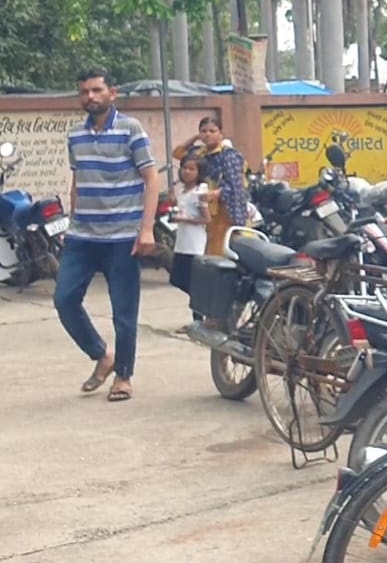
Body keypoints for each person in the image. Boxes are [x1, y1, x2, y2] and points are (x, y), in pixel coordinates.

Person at [55, 69, 159, 403]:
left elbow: (151, 178)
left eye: (97, 90)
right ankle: (102, 355)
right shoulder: (76, 135)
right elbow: (77, 182)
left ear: (112, 93)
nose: (90, 96)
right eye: (84, 91)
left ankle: (123, 376)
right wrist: (72, 223)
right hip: (82, 236)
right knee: (64, 299)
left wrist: (146, 229)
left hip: (122, 237)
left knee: (124, 313)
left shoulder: (130, 129)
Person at [177, 117, 248, 257]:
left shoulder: (229, 155)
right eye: (203, 131)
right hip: (203, 208)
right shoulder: (199, 153)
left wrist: (215, 194)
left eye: (212, 131)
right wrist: (195, 138)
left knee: (219, 250)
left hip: (224, 210)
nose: (207, 134)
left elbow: (235, 186)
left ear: (221, 134)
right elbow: (178, 153)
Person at [169, 156, 210, 330]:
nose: (187, 172)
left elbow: (206, 219)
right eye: (185, 168)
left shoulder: (200, 192)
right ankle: (201, 312)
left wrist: (185, 219)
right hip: (182, 242)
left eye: (192, 169)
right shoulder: (183, 191)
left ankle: (199, 319)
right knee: (178, 279)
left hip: (195, 244)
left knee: (193, 283)